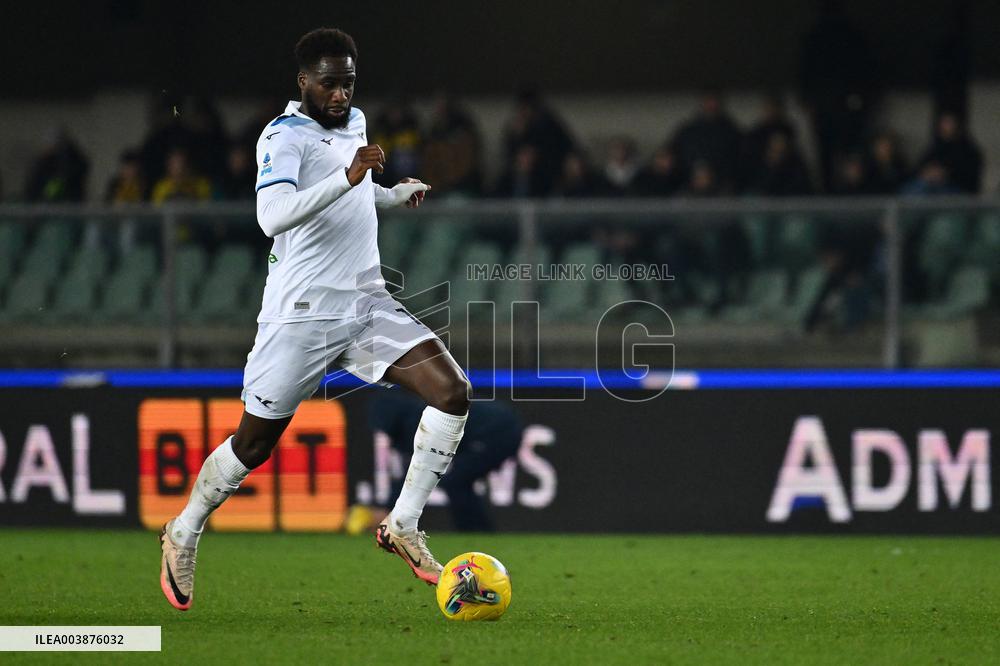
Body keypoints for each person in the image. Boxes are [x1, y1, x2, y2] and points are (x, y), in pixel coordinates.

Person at [157, 28, 471, 612]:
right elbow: (271, 217)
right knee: (253, 445)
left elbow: (351, 193)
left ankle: (401, 526)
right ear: (303, 80)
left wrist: (388, 195)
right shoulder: (281, 137)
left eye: (348, 82)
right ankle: (183, 530)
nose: (340, 94)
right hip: (300, 315)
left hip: (364, 302)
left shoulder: (354, 125)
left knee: (453, 392)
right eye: (328, 82)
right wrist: (348, 177)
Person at [362, 390, 522, 532]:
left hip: (500, 432)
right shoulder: (412, 415)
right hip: (498, 428)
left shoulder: (416, 422)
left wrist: (387, 509)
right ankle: (476, 531)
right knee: (458, 482)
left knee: (456, 482)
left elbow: (415, 472)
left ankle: (477, 532)